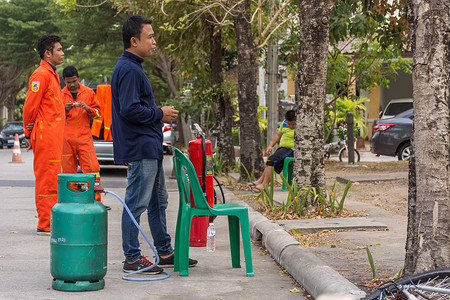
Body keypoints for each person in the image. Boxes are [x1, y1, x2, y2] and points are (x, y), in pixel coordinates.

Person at [111, 16, 197, 275]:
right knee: (136, 202)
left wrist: (158, 115)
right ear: (134, 40)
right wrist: (159, 113)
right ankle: (132, 257)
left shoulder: (134, 67)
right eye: (150, 36)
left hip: (149, 145)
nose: (154, 41)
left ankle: (165, 251)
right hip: (139, 147)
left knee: (158, 202)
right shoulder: (128, 69)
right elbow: (129, 109)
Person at [23, 34, 65, 235]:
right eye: (59, 49)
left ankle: (51, 220)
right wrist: (27, 132)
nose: (62, 53)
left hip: (53, 136)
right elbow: (29, 107)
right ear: (48, 53)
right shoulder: (41, 74)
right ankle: (45, 224)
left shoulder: (52, 74)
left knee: (54, 177)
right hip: (45, 135)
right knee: (46, 179)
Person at [61, 66, 109, 209]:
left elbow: (99, 114)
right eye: (68, 82)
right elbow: (53, 116)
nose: (72, 85)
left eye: (74, 81)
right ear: (64, 80)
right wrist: (64, 109)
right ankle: (70, 202)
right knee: (68, 172)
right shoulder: (59, 94)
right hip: (65, 138)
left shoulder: (88, 92)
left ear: (78, 77)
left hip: (84, 137)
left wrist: (88, 108)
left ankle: (96, 201)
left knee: (93, 169)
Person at [249, 110, 296, 192]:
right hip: (282, 149)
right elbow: (278, 134)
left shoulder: (301, 125)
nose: (291, 126)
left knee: (271, 160)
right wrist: (270, 145)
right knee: (269, 161)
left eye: (293, 124)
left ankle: (265, 185)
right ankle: (260, 181)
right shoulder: (284, 123)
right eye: (289, 124)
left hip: (291, 150)